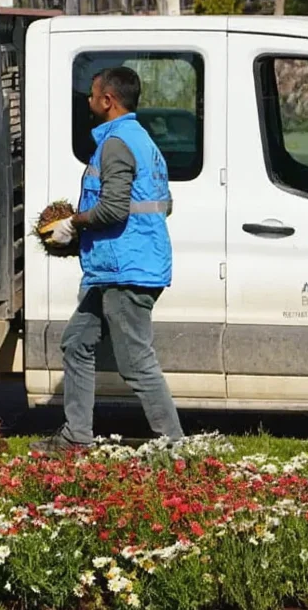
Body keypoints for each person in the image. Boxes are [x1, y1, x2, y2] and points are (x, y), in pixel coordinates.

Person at [33, 66, 184, 453]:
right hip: (116, 267)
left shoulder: (116, 144)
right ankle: (75, 438)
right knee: (77, 343)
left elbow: (114, 209)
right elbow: (163, 204)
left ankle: (176, 450)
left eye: (92, 93)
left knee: (135, 362)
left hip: (125, 271)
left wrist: (74, 222)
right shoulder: (142, 140)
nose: (87, 100)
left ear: (107, 101)